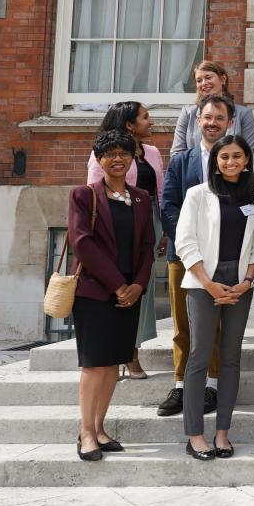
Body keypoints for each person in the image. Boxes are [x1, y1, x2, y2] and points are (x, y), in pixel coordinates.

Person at [174, 133, 254, 461]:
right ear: (215, 160)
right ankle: (195, 435)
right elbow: (185, 242)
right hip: (203, 285)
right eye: (224, 157)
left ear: (246, 161)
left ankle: (223, 433)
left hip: (240, 286)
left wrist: (247, 280)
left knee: (230, 358)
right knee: (200, 356)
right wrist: (208, 283)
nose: (231, 162)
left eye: (237, 157)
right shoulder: (198, 195)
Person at [68, 129, 155, 460]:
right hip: (95, 292)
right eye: (110, 153)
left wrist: (138, 285)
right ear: (99, 159)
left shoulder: (142, 198)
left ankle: (100, 429)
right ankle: (86, 433)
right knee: (94, 365)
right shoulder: (83, 195)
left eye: (124, 153)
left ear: (133, 158)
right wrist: (118, 285)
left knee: (113, 365)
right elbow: (82, 244)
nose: (118, 158)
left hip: (131, 295)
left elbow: (148, 245)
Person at [157, 94, 232, 418]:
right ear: (197, 121)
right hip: (183, 258)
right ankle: (181, 385)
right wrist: (190, 247)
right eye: (208, 117)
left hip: (222, 259)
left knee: (216, 325)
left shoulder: (235, 160)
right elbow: (168, 206)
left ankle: (212, 386)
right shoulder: (180, 161)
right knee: (183, 324)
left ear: (228, 123)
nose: (213, 123)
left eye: (219, 118)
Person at [86, 101, 163, 380]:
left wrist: (163, 229)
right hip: (114, 225)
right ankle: (112, 353)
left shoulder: (153, 152)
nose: (150, 122)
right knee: (113, 287)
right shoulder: (103, 154)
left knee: (140, 289)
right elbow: (93, 193)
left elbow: (160, 191)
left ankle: (131, 351)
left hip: (147, 224)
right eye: (145, 117)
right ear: (130, 124)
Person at [169, 59, 254, 157]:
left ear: (223, 79)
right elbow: (177, 154)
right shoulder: (188, 114)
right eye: (199, 80)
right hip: (194, 171)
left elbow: (247, 153)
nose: (203, 83)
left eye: (208, 77)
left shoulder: (243, 114)